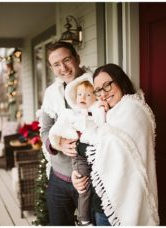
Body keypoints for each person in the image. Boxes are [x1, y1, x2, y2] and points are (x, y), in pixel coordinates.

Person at [71, 64, 159, 226]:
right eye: (98, 90)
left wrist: (78, 146)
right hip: (102, 201)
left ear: (120, 81)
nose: (103, 94)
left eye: (107, 85)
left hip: (122, 202)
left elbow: (100, 150)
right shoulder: (110, 112)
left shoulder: (132, 110)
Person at [38, 41, 93, 225]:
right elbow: (45, 130)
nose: (63, 68)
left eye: (67, 59)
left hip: (89, 180)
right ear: (51, 68)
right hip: (59, 179)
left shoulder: (93, 84)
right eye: (56, 64)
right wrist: (57, 144)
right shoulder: (51, 93)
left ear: (77, 58)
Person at [48, 77, 105, 226]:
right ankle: (84, 219)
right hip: (78, 157)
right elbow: (54, 130)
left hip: (96, 156)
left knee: (95, 185)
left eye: (87, 95)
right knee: (84, 188)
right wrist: (58, 143)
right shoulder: (71, 113)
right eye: (80, 95)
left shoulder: (97, 111)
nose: (83, 98)